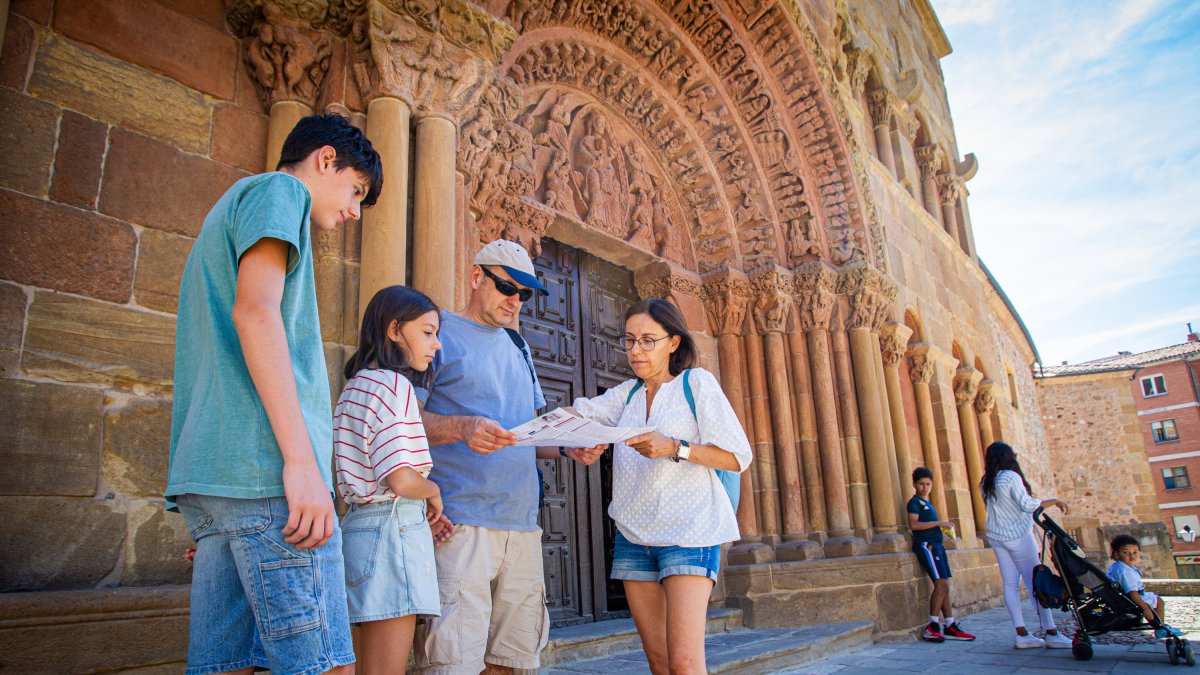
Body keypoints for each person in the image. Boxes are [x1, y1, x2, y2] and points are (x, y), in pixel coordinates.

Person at [165, 113, 382, 675]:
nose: (355, 211)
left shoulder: (230, 207)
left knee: (223, 666)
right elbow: (255, 311)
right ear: (325, 159)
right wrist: (301, 463)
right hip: (265, 475)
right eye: (356, 190)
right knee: (326, 666)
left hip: (218, 479)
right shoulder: (280, 190)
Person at [412, 239, 604, 675]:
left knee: (512, 662)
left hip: (523, 527)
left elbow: (528, 431)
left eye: (525, 294)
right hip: (461, 524)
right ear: (476, 276)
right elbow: (404, 419)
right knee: (453, 663)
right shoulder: (435, 331)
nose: (515, 300)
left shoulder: (520, 346)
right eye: (506, 287)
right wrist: (462, 427)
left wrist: (570, 445)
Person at [569, 298, 753, 674]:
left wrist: (674, 447)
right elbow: (579, 414)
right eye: (630, 340)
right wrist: (573, 440)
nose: (636, 350)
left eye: (647, 340)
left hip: (689, 533)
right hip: (634, 537)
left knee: (685, 662)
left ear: (673, 342)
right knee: (659, 661)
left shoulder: (695, 383)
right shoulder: (627, 394)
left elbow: (738, 456)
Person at [334, 285, 452, 675]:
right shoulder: (394, 385)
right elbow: (401, 479)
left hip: (356, 527)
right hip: (390, 531)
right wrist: (432, 491)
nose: (436, 345)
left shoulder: (354, 387)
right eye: (428, 331)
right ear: (393, 329)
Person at [980, 441, 1072, 650]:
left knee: (1010, 585)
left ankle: (1021, 633)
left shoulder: (986, 482)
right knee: (1036, 583)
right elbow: (1027, 505)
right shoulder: (1011, 477)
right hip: (1018, 536)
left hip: (997, 537)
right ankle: (1051, 632)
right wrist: (1054, 501)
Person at [908, 467, 975, 643]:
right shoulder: (914, 502)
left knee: (944, 584)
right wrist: (937, 522)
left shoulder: (927, 503)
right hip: (927, 546)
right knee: (941, 584)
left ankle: (950, 624)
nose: (925, 487)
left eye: (928, 484)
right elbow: (914, 525)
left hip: (937, 546)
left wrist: (942, 527)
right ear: (914, 484)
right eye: (921, 484)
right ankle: (933, 625)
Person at [1107, 534, 1180, 637]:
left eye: (1135, 552)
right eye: (1126, 553)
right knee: (1158, 601)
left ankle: (1158, 624)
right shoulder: (1124, 571)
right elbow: (1132, 592)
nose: (1132, 556)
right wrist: (1145, 608)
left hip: (1120, 598)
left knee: (1152, 597)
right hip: (1129, 599)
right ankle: (1160, 627)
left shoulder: (1117, 567)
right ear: (1117, 554)